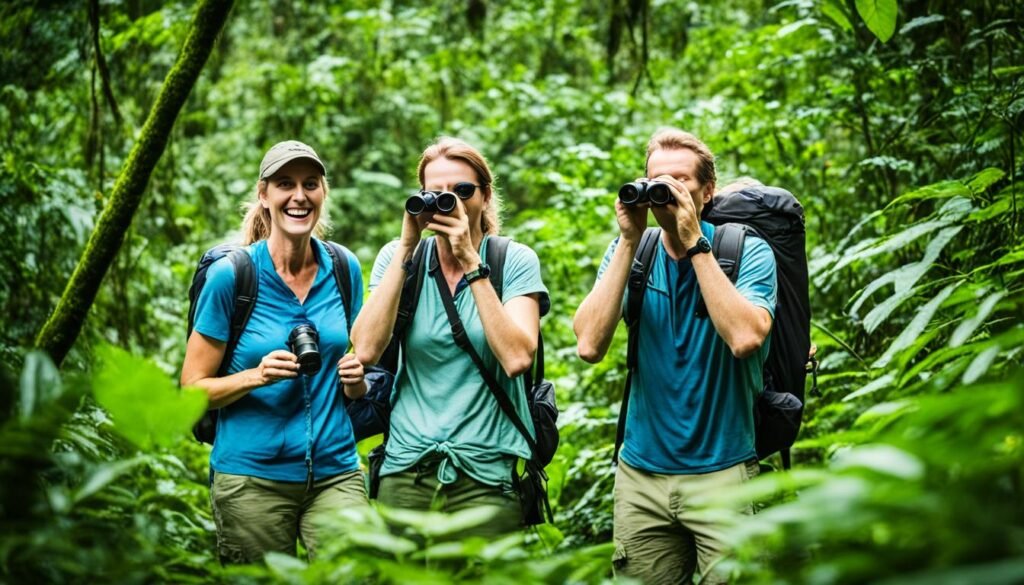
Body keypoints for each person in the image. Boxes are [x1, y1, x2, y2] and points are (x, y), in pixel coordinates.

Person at [573, 128, 778, 584]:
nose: (666, 191)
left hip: (723, 470)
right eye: (656, 181)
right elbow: (589, 345)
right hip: (641, 476)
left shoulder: (746, 252)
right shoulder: (632, 254)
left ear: (707, 192)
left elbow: (745, 338)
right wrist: (628, 240)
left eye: (680, 181)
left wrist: (694, 243)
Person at [180, 140, 368, 564]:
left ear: (323, 193)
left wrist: (357, 382)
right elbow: (191, 389)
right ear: (264, 196)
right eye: (285, 184)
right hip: (252, 477)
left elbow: (357, 372)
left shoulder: (344, 268)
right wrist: (257, 375)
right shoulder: (233, 277)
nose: (299, 196)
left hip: (336, 469)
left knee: (359, 574)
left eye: (310, 184)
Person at [350, 137, 549, 536]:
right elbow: (367, 349)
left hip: (488, 470)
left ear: (485, 196)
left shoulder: (512, 260)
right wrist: (408, 245)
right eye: (435, 194)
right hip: (407, 466)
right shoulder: (400, 257)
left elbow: (516, 358)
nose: (451, 202)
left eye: (462, 191)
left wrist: (471, 263)